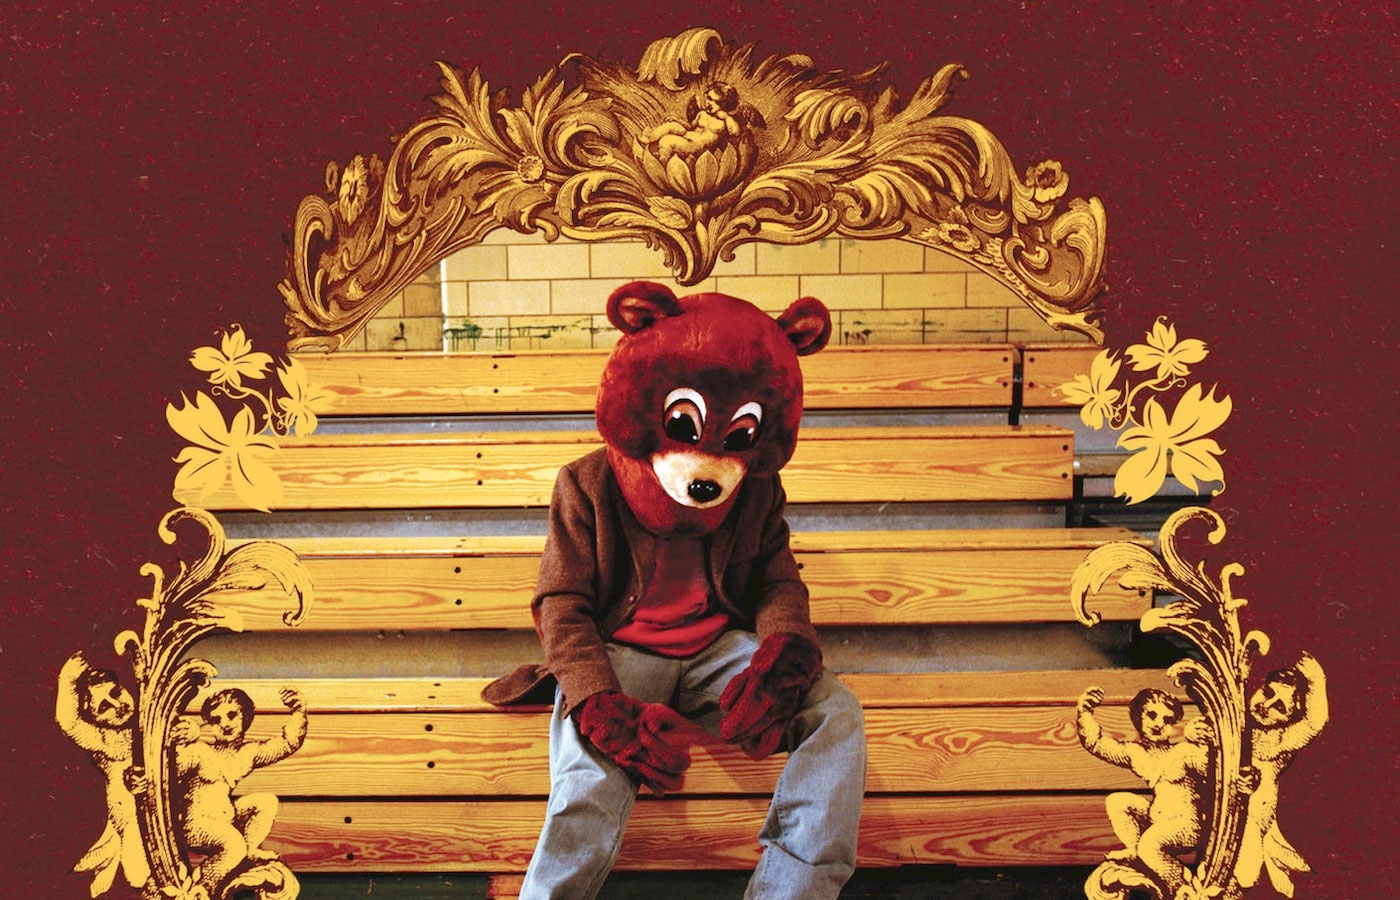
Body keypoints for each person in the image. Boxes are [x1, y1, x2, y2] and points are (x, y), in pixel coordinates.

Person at [485, 282, 866, 900]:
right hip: (622, 654)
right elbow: (562, 603)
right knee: (589, 774)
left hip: (718, 651)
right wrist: (595, 698)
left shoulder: (756, 490)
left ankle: (790, 891)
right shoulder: (586, 483)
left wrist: (783, 654)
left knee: (836, 713)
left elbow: (777, 580)